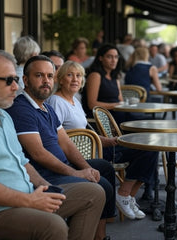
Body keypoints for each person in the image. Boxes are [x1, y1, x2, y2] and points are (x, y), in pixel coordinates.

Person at [0, 50, 105, 240]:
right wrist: (30, 200)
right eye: (9, 80)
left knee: (94, 192)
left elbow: (24, 163)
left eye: (15, 80)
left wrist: (47, 188)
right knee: (53, 226)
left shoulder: (3, 116)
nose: (15, 87)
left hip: (27, 193)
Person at [5, 55, 114, 240]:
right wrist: (76, 173)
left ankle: (99, 234)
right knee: (101, 186)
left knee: (104, 167)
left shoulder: (46, 107)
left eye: (49, 76)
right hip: (45, 174)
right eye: (39, 75)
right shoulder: (21, 109)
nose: (46, 81)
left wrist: (86, 168)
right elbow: (38, 154)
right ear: (25, 80)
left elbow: (66, 144)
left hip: (60, 167)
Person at [47, 60, 158, 219]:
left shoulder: (74, 101)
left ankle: (126, 195)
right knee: (146, 150)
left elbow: (86, 131)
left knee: (149, 148)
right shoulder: (56, 101)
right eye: (70, 75)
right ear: (61, 79)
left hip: (94, 147)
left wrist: (110, 141)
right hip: (82, 155)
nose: (75, 79)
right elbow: (57, 136)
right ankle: (124, 195)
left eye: (78, 75)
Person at [82, 43, 126, 125]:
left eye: (116, 57)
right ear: (100, 58)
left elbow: (121, 100)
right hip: (103, 119)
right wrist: (115, 105)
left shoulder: (115, 77)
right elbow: (92, 104)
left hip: (116, 115)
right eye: (109, 57)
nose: (114, 60)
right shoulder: (95, 75)